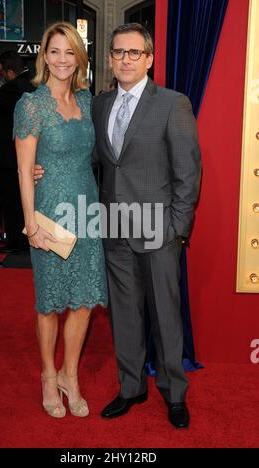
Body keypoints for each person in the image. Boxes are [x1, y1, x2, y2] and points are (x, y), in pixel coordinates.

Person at [35, 23, 201, 428]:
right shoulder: (99, 104)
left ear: (149, 59)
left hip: (158, 230)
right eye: (119, 52)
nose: (126, 59)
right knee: (125, 315)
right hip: (110, 228)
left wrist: (177, 229)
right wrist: (45, 168)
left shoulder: (173, 103)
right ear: (109, 59)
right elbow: (86, 157)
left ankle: (174, 394)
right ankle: (131, 388)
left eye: (134, 53)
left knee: (165, 315)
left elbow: (189, 172)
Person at [13, 22, 108, 419]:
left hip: (87, 210)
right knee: (50, 302)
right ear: (44, 57)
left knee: (84, 301)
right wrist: (31, 222)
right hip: (50, 211)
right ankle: (49, 377)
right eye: (55, 52)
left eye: (70, 52)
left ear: (79, 58)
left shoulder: (87, 102)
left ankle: (71, 375)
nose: (62, 60)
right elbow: (23, 169)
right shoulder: (30, 105)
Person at [0, 51, 35, 254]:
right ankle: (16, 240)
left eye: (2, 71)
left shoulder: (15, 87)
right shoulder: (27, 84)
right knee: (17, 201)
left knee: (12, 202)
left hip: (11, 155)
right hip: (18, 154)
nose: (0, 75)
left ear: (10, 70)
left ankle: (17, 243)